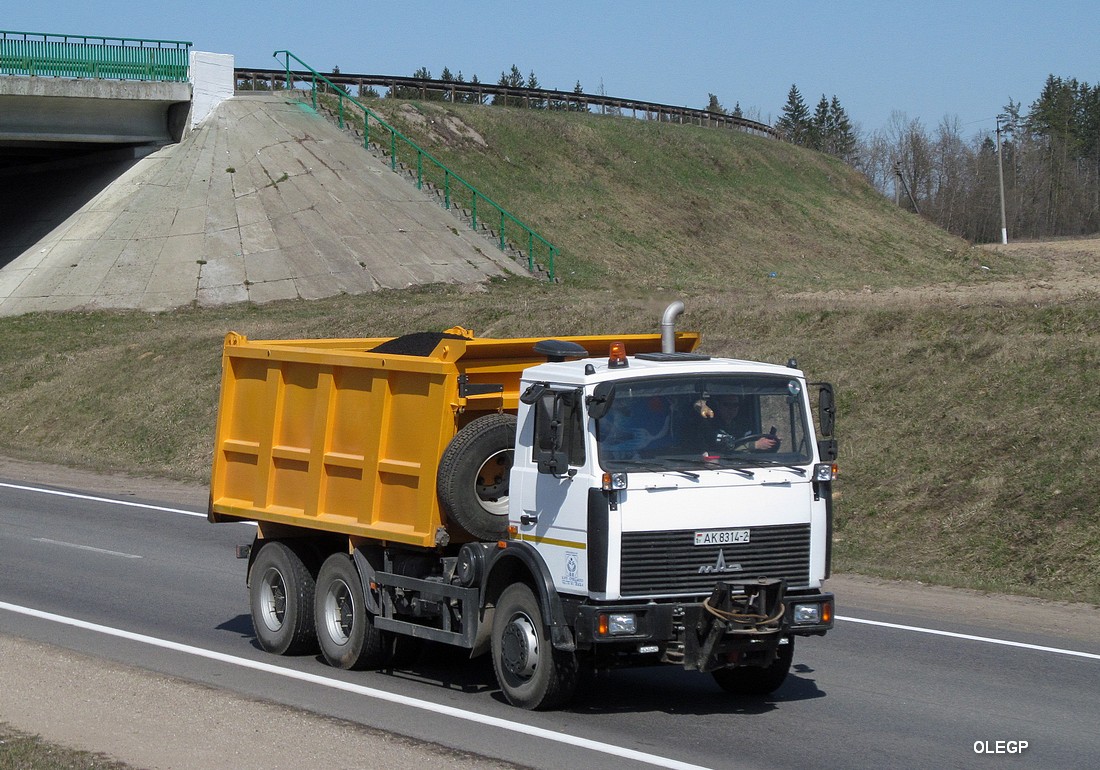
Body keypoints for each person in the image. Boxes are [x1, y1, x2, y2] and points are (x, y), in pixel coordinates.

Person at [693, 393, 780, 452]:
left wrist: (769, 441)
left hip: (748, 464)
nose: (731, 409)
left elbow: (751, 441)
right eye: (726, 405)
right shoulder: (709, 427)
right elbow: (722, 451)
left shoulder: (743, 426)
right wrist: (755, 445)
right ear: (718, 405)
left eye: (735, 405)